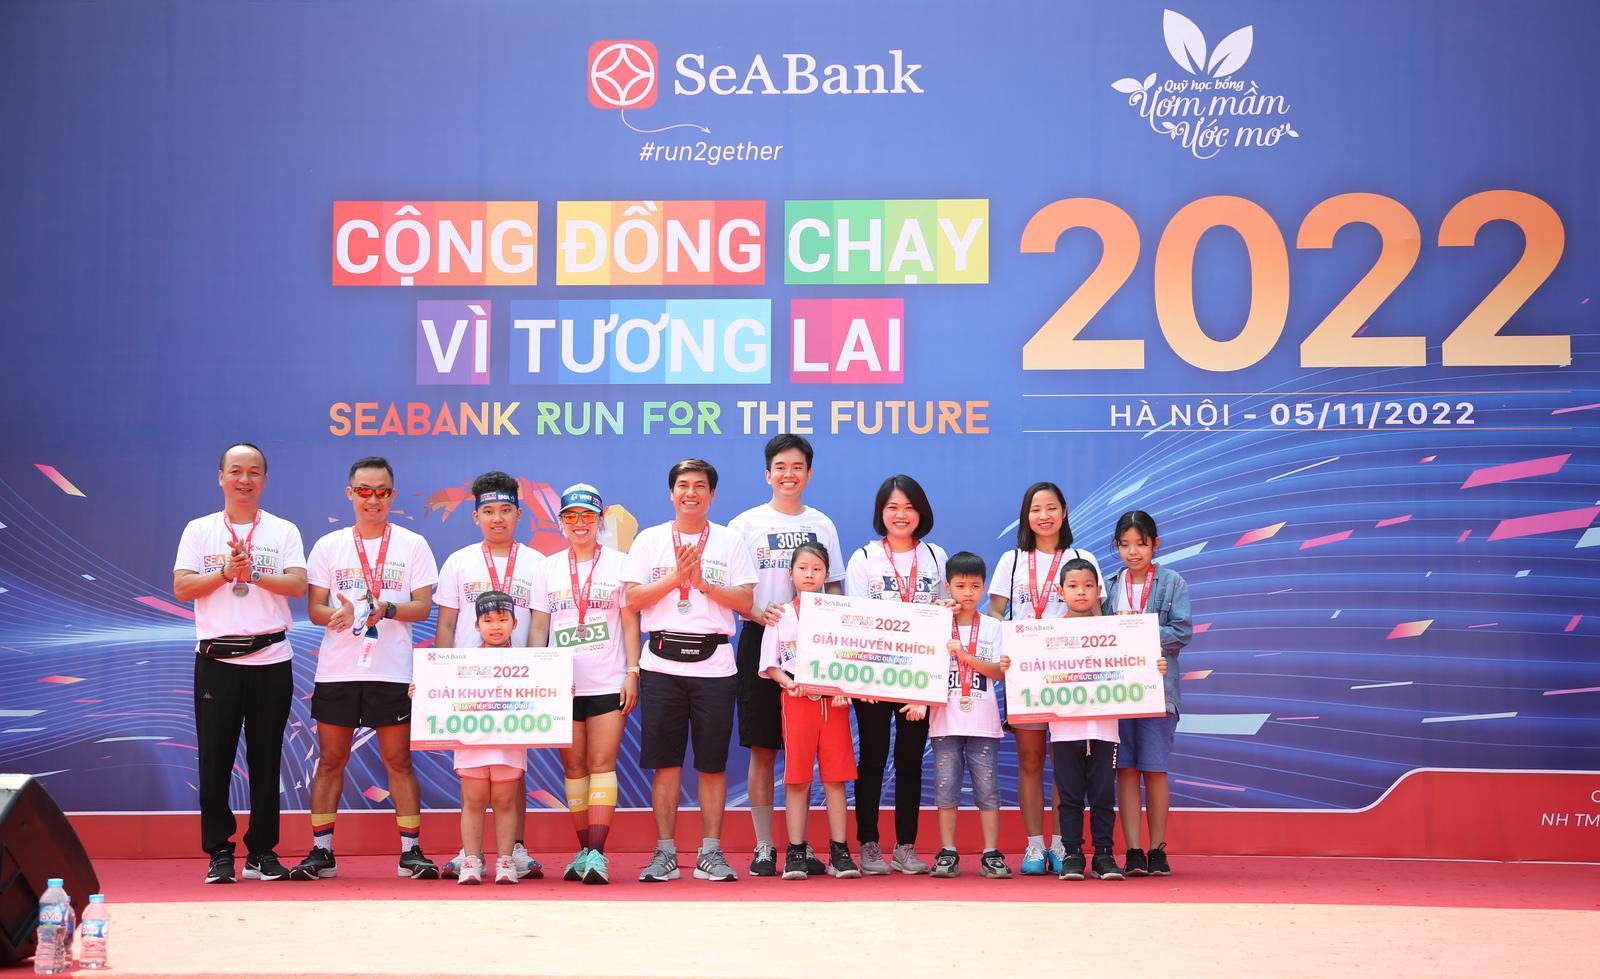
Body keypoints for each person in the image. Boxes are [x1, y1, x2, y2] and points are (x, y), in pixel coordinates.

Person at [291, 457, 440, 881]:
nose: (372, 499)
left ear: (392, 495)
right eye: (364, 491)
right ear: (350, 494)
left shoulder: (412, 544)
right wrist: (337, 615)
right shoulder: (329, 545)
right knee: (330, 760)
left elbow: (422, 607)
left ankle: (411, 852)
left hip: (392, 670)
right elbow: (315, 609)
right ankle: (321, 852)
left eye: (381, 492)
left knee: (398, 760)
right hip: (338, 669)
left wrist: (387, 608)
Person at [173, 443, 306, 884]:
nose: (244, 479)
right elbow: (182, 588)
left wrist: (254, 574)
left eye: (253, 472)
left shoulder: (283, 530)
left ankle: (262, 851)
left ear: (264, 480)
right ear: (221, 477)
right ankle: (219, 851)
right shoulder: (199, 530)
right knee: (215, 760)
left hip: (271, 659)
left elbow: (298, 585)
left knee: (267, 761)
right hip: (217, 662)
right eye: (235, 471)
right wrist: (226, 574)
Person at [622, 459, 757, 883]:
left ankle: (710, 853)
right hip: (660, 665)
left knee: (712, 765)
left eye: (700, 486)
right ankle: (664, 853)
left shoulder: (730, 541)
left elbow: (745, 602)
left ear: (712, 495)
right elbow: (633, 600)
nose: (691, 493)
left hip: (715, 666)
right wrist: (677, 577)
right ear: (671, 493)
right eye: (683, 485)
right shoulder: (649, 540)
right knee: (666, 764)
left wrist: (702, 583)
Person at [728, 434, 845, 877]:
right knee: (763, 747)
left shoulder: (823, 524)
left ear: (809, 474)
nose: (788, 474)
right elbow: (735, 590)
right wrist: (757, 613)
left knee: (813, 750)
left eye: (797, 467)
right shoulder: (745, 524)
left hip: (816, 646)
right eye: (780, 467)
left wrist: (836, 641)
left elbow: (835, 587)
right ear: (767, 474)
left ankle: (805, 845)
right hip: (763, 640)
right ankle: (764, 845)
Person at [432, 471, 547, 880]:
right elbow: (446, 624)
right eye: (488, 511)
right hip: (468, 683)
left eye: (505, 510)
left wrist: (537, 676)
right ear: (476, 516)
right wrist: (440, 679)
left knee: (511, 770)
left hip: (517, 681)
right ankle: (471, 853)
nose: (497, 518)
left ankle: (514, 851)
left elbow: (539, 624)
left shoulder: (538, 563)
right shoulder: (458, 561)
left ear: (519, 513)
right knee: (475, 775)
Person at [986, 481, 1104, 875]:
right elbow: (995, 613)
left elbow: (1097, 614)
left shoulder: (1082, 557)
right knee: (1031, 759)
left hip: (1071, 674)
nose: (1044, 516)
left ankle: (1062, 843)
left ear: (1064, 512)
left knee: (1066, 761)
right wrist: (1003, 650)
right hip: (1026, 673)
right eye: (1036, 509)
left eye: (1051, 508)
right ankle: (1035, 845)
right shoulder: (1012, 561)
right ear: (1026, 516)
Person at [529, 483, 641, 886]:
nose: (580, 524)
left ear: (600, 520)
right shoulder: (547, 568)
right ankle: (583, 852)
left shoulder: (621, 564)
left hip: (608, 680)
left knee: (601, 763)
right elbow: (539, 626)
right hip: (562, 685)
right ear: (561, 521)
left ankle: (597, 852)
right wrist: (538, 675)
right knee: (574, 767)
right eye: (571, 516)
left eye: (588, 516)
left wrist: (632, 671)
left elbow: (630, 623)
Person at [844, 474, 948, 875]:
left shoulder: (935, 556)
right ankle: (868, 844)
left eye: (909, 507)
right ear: (881, 513)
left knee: (909, 761)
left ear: (921, 512)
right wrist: (863, 678)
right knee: (871, 759)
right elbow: (856, 620)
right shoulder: (864, 558)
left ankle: (906, 846)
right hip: (874, 676)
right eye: (892, 507)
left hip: (919, 678)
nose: (901, 515)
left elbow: (943, 616)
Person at [1051, 557, 1163, 881]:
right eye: (1073, 586)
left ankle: (1103, 855)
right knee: (1069, 797)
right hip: (1064, 731)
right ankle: (1072, 855)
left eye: (1088, 586)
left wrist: (1154, 667)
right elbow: (1030, 670)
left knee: (1102, 797)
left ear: (1099, 590)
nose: (1081, 592)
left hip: (1104, 731)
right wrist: (1012, 663)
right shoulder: (1046, 634)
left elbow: (1136, 665)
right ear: (1060, 591)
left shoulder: (1115, 631)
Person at [757, 541, 860, 880]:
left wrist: (845, 690)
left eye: (817, 569)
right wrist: (789, 683)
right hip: (797, 703)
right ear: (790, 573)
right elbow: (770, 665)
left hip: (835, 705)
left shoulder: (840, 614)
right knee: (798, 777)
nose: (809, 574)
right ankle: (796, 851)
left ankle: (840, 852)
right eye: (803, 568)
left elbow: (853, 660)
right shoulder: (780, 615)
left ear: (827, 574)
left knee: (836, 778)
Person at [1107, 510, 1193, 878]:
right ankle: (1133, 850)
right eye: (1125, 544)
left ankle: (1157, 849)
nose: (1133, 552)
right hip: (1117, 692)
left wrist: (1137, 636)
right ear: (1116, 547)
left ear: (1155, 544)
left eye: (1141, 544)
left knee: (1155, 770)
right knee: (1125, 770)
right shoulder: (1109, 586)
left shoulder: (1172, 583)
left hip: (1158, 692)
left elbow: (1182, 631)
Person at [433, 590, 527, 885]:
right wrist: (420, 691)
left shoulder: (530, 663)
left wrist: (560, 691)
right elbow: (440, 692)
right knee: (473, 801)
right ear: (476, 625)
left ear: (515, 623)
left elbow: (544, 693)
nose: (496, 626)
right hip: (471, 742)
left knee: (505, 801)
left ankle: (506, 860)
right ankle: (471, 860)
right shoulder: (461, 661)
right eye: (488, 620)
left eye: (503, 619)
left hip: (508, 744)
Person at [927, 552, 1011, 879]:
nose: (967, 593)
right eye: (960, 586)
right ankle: (947, 851)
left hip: (983, 723)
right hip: (944, 722)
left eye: (975, 586)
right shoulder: (935, 623)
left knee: (988, 790)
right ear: (947, 586)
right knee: (946, 789)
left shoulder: (993, 626)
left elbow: (1000, 672)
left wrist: (965, 656)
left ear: (984, 588)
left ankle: (991, 853)